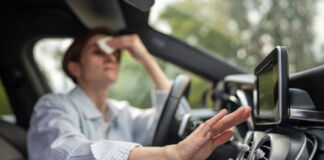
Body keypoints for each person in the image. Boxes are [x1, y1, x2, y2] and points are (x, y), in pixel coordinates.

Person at [27, 28, 251, 160]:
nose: (111, 57)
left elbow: (176, 119)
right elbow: (66, 152)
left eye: (116, 54)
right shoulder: (53, 106)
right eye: (98, 51)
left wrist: (144, 56)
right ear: (74, 67)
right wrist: (169, 155)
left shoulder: (121, 112)